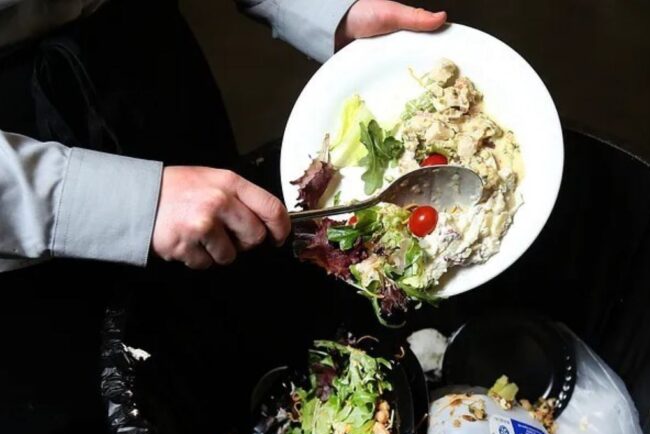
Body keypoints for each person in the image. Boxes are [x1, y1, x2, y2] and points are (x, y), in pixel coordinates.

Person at [0, 1, 445, 434]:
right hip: (20, 205)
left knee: (246, 287)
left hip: (136, 52)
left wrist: (329, 10)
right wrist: (120, 201)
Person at [0, 0, 446, 272]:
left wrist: (326, 9)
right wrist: (130, 202)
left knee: (239, 255)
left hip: (140, 46)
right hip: (23, 186)